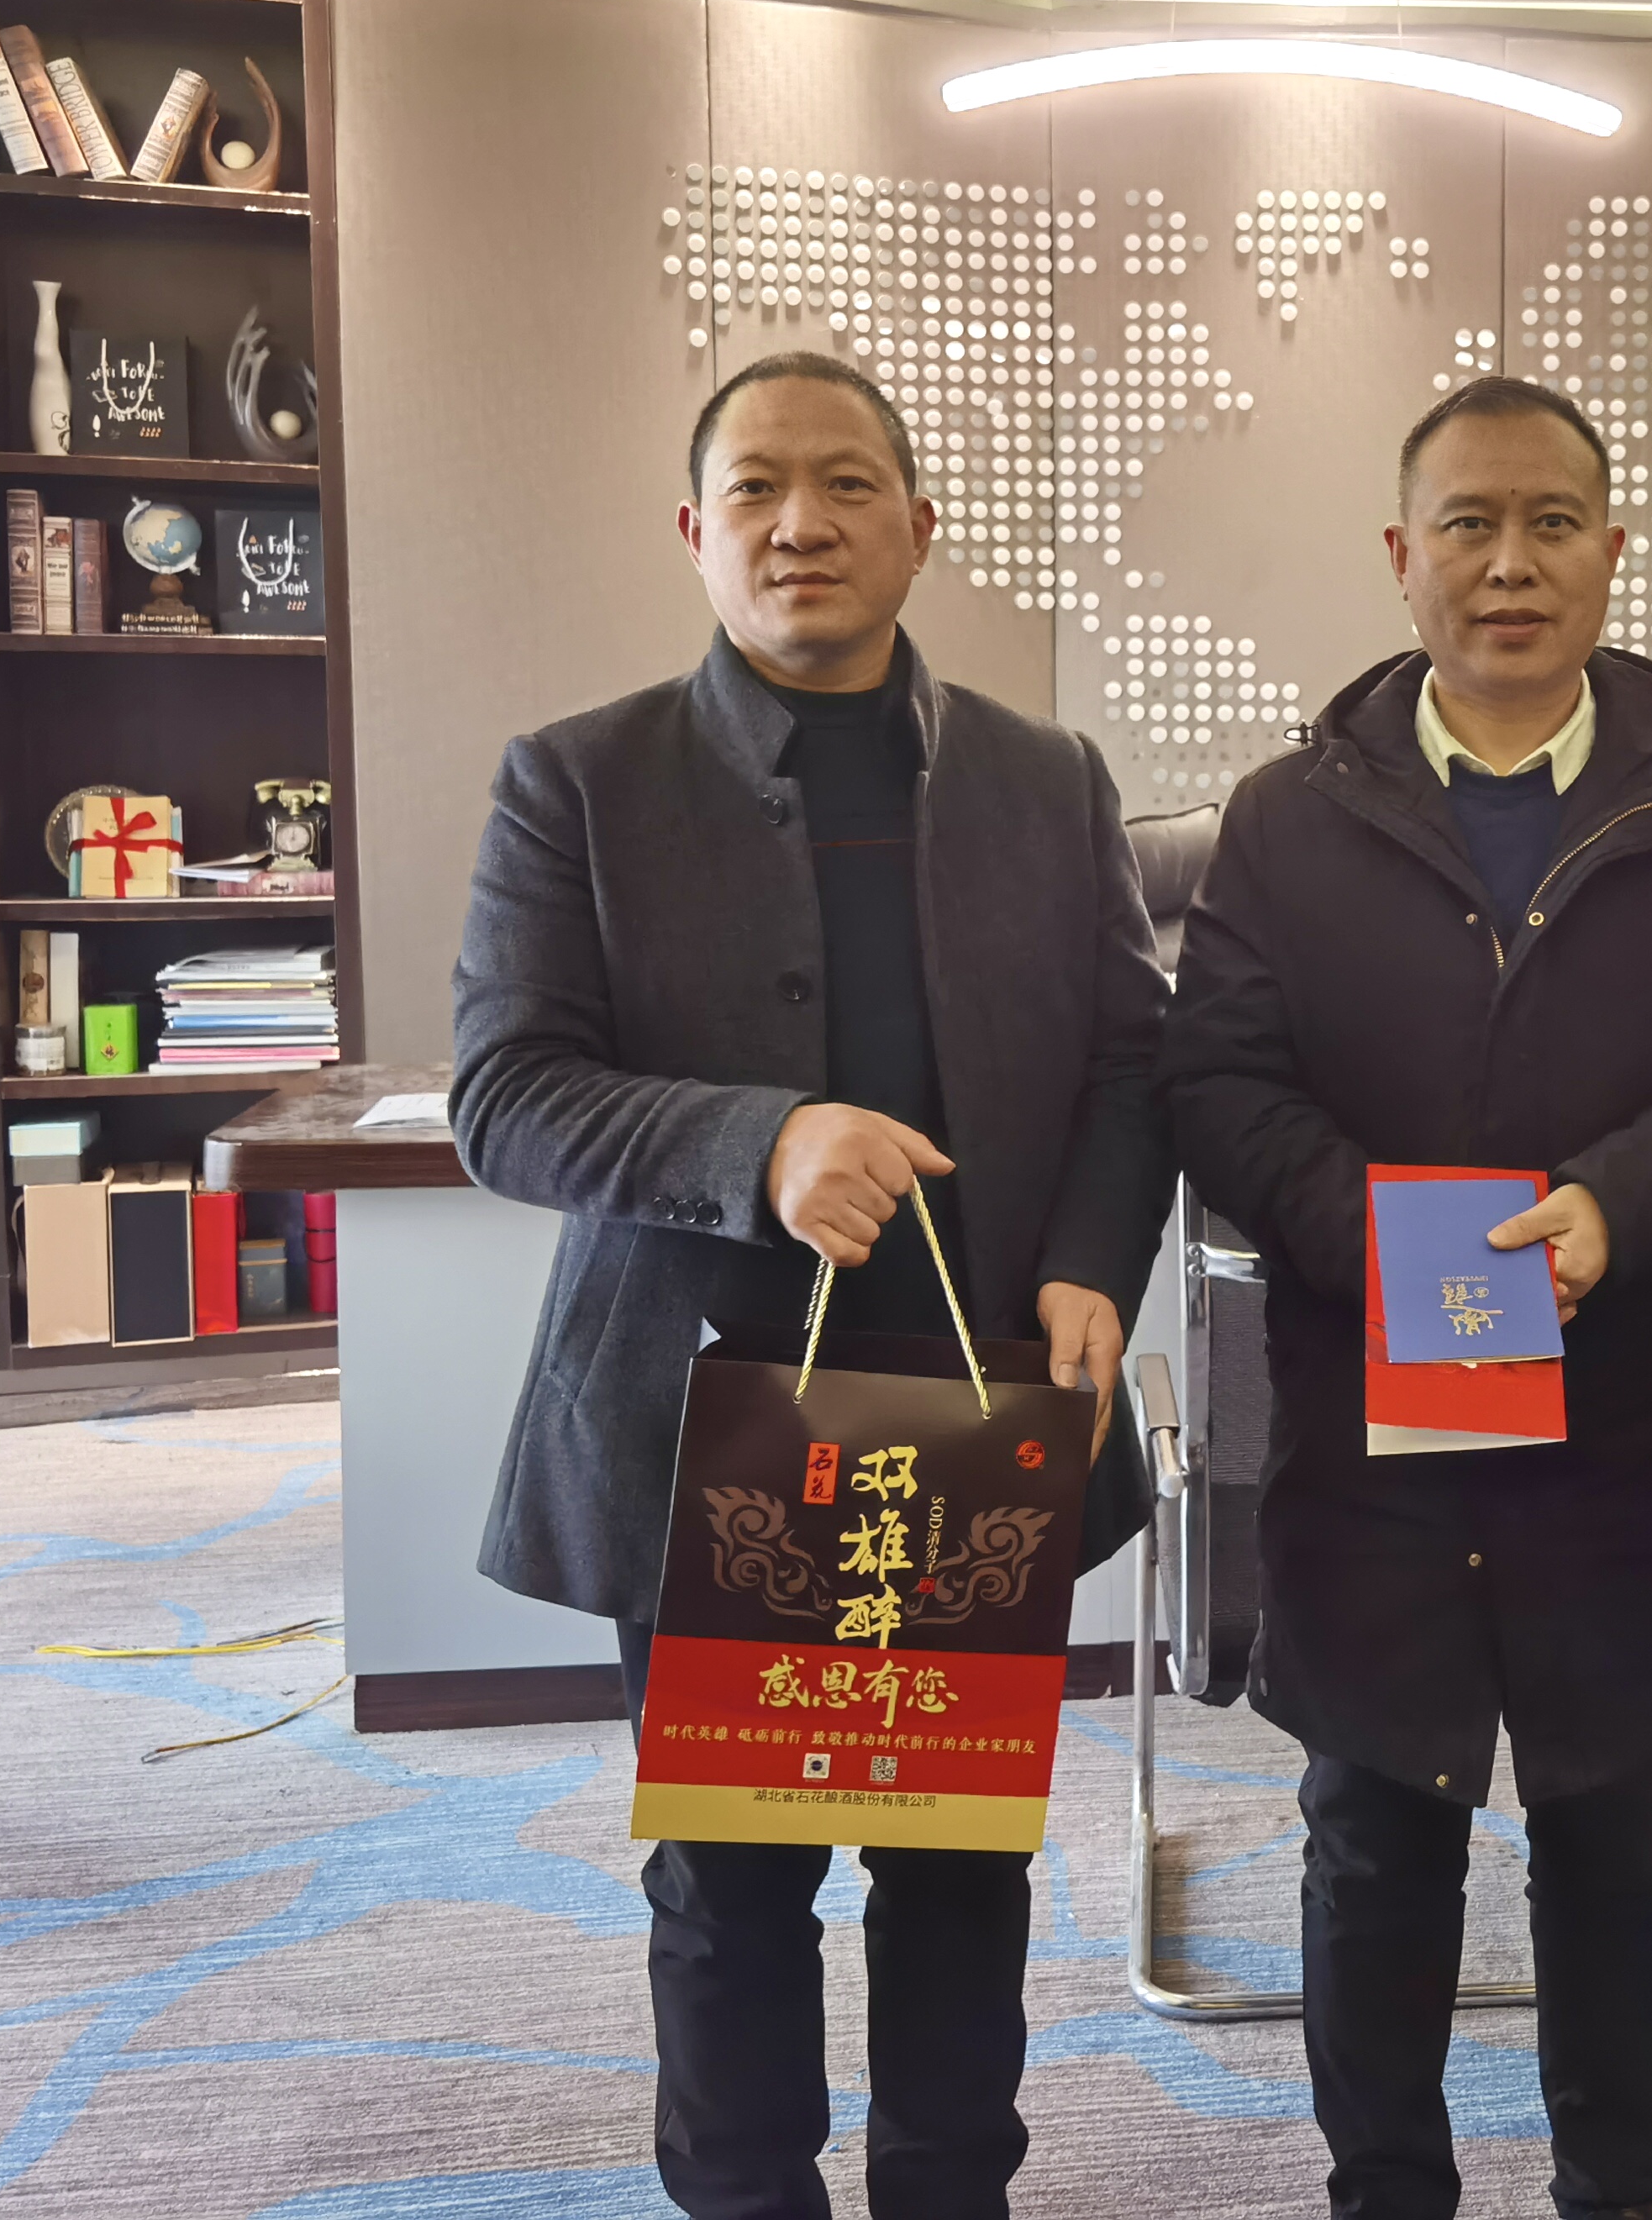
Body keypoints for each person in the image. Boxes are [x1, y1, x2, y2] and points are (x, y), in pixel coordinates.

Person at [450, 350, 1171, 2220]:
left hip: (972, 1407)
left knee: (960, 1867)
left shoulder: (1044, 779)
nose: (801, 523)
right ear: (696, 531)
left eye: (846, 484)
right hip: (716, 1420)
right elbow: (504, 1099)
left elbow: (1129, 1061)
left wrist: (1093, 1263)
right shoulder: (579, 781)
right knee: (730, 1880)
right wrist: (758, 1141)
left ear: (916, 529)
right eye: (757, 488)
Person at [1160, 376, 1652, 2220]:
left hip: (1622, 1426)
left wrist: (1618, 1204)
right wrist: (1378, 1238)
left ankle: (1619, 2193)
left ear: (1611, 552)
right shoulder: (1286, 819)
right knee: (1371, 1840)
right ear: (1400, 557)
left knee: (1616, 1840)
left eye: (1552, 523)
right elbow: (1216, 1083)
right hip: (1370, 1430)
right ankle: (1383, 2188)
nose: (1509, 563)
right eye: (1468, 524)